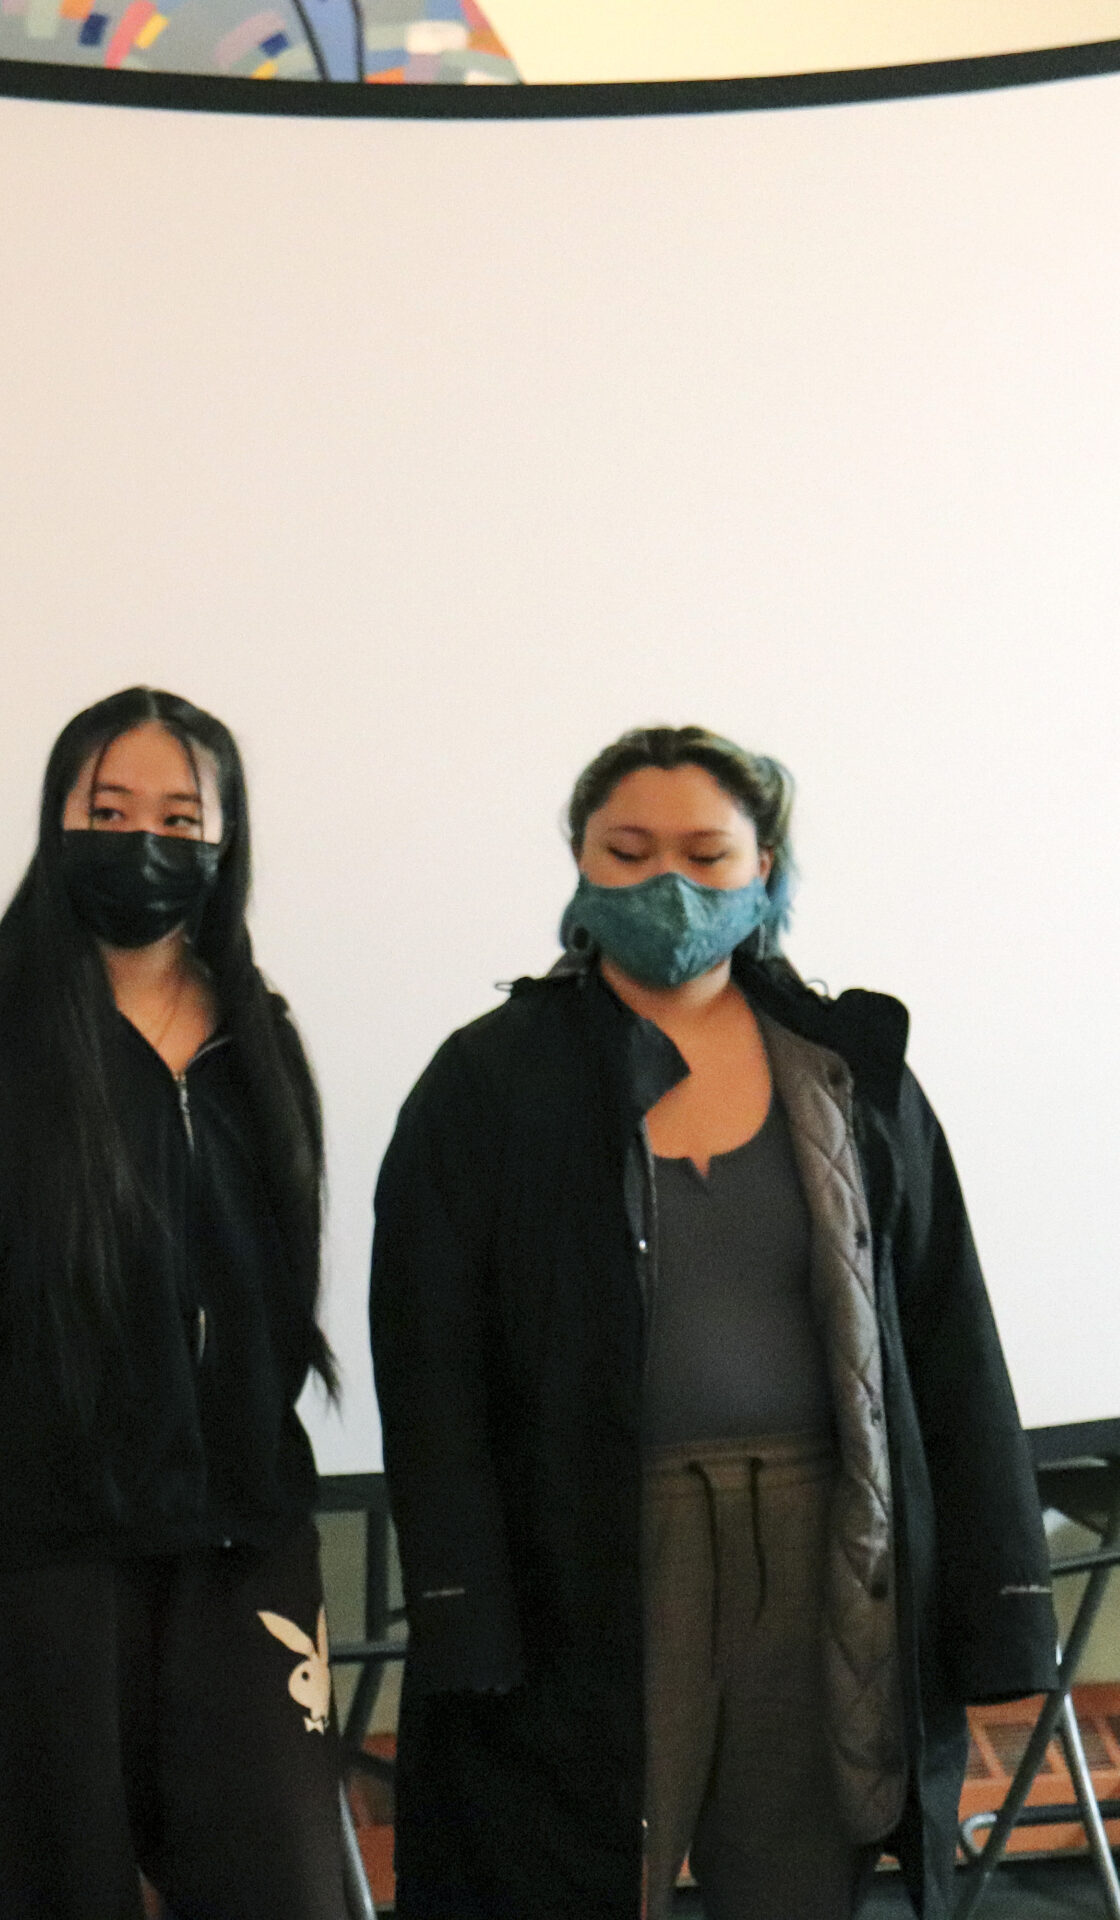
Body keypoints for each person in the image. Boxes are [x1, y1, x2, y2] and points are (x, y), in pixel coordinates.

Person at [370, 724, 1055, 1919]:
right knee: (567, 1871)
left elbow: (949, 1335)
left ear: (765, 867)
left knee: (797, 1883)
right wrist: (460, 1607)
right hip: (587, 1546)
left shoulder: (847, 1067)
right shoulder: (487, 1082)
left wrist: (998, 1603)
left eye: (705, 854)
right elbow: (427, 1366)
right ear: (578, 864)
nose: (666, 886)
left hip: (826, 1542)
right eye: (626, 852)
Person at [0, 686, 350, 1920]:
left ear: (226, 842)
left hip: (242, 1550)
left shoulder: (261, 1048)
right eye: (109, 808)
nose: (145, 841)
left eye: (182, 816)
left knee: (285, 1887)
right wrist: (8, 1513)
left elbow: (279, 1295)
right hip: (46, 1571)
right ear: (55, 823)